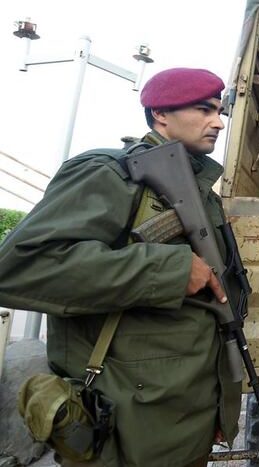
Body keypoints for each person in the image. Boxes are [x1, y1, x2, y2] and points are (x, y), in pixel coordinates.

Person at [0, 68, 241, 467]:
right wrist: (170, 272)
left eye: (219, 111)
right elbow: (23, 265)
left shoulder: (199, 189)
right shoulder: (110, 172)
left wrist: (218, 411)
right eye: (204, 109)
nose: (218, 122)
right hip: (127, 430)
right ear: (161, 113)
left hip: (183, 420)